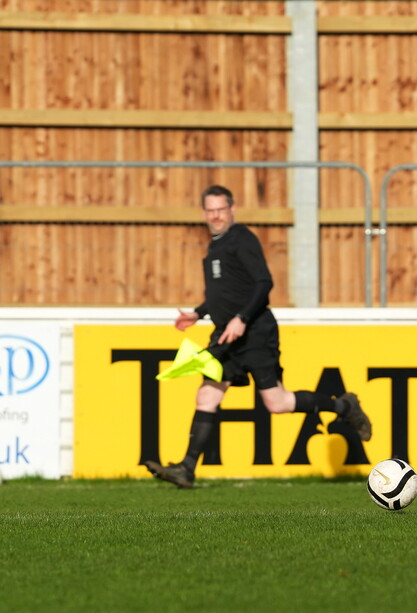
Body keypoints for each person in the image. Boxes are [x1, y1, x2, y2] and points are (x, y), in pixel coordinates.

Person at [145, 184, 371, 488]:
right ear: (204, 213)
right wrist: (199, 312)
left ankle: (345, 407)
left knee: (276, 402)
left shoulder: (242, 239)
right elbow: (227, 291)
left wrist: (242, 319)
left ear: (232, 209)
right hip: (227, 336)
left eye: (220, 210)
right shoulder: (216, 245)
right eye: (210, 211)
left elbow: (263, 283)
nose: (216, 216)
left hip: (255, 333)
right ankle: (187, 468)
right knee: (208, 394)